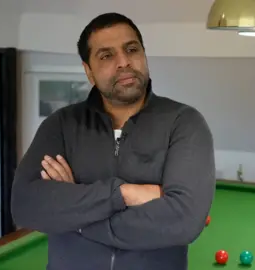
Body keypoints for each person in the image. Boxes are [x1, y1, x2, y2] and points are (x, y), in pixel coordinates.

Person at [11, 12, 216, 270]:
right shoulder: (61, 125)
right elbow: (26, 205)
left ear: (144, 54)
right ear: (89, 71)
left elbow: (183, 220)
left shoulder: (184, 123)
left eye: (131, 49)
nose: (123, 62)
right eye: (106, 55)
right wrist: (123, 193)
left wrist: (75, 214)